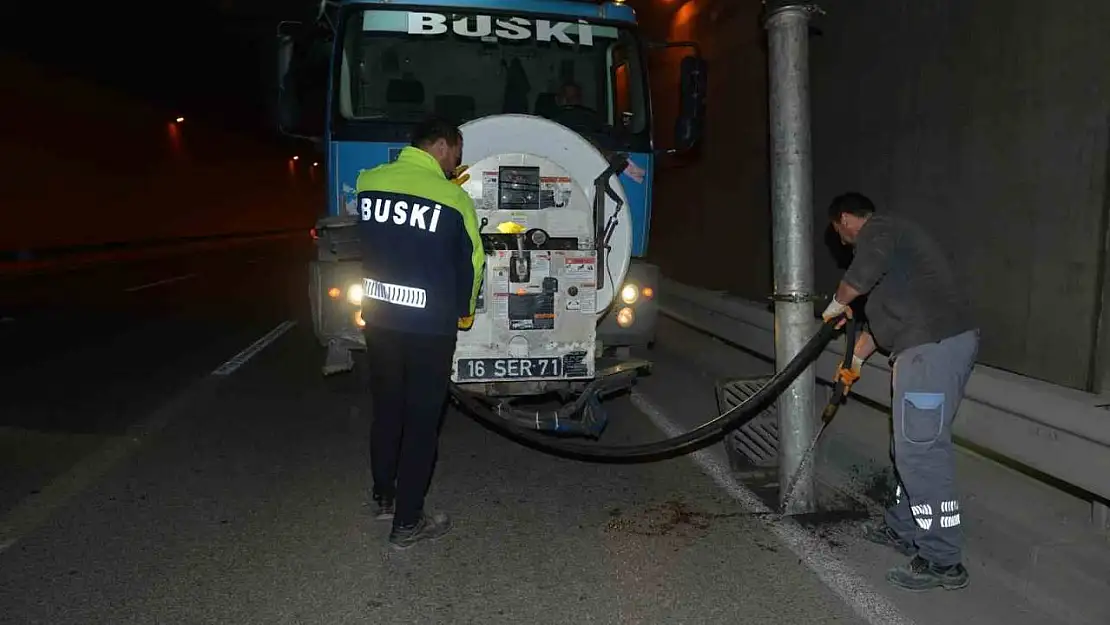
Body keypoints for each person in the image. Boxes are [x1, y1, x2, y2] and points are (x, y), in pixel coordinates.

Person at [820, 192, 979, 591]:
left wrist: (836, 304)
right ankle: (903, 527)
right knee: (907, 447)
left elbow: (860, 276)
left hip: (929, 350)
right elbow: (877, 331)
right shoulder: (900, 265)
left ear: (845, 220)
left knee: (921, 452)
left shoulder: (881, 229)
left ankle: (942, 559)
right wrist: (852, 366)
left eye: (840, 235)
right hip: (925, 347)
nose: (843, 243)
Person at [354, 116, 485, 550]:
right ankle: (408, 522)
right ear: (444, 147)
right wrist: (464, 314)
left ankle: (383, 496)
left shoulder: (369, 182)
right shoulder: (453, 198)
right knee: (422, 421)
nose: (457, 163)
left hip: (379, 318)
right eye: (457, 155)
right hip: (428, 328)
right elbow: (472, 264)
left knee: (387, 408)